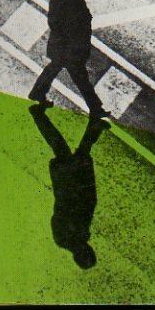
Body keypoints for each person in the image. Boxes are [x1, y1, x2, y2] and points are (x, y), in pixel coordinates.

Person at [29, 104, 110, 269]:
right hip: (76, 190)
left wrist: (71, 204)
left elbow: (59, 216)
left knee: (63, 151)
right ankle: (94, 126)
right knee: (79, 154)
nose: (87, 248)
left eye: (86, 252)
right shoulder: (78, 237)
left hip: (68, 188)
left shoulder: (65, 239)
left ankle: (38, 115)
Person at [29, 0, 111, 119]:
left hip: (67, 45)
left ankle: (37, 92)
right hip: (68, 46)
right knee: (79, 77)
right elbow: (58, 21)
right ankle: (95, 108)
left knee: (57, 69)